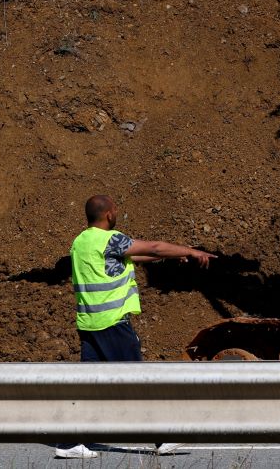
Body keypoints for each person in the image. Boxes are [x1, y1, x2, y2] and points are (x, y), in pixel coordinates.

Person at [55, 194, 215, 459]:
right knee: (137, 380)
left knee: (88, 385)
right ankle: (163, 438)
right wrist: (189, 250)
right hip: (113, 323)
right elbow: (153, 247)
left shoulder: (80, 242)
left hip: (89, 324)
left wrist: (172, 257)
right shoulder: (111, 238)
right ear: (108, 214)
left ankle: (70, 442)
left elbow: (137, 256)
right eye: (115, 210)